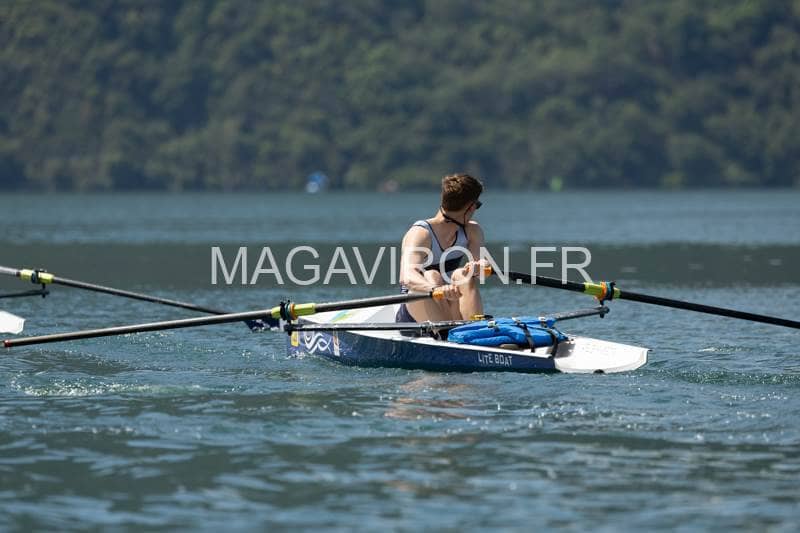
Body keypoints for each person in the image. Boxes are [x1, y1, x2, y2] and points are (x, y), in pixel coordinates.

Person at [398, 173, 488, 323]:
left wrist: (481, 266)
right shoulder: (420, 234)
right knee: (432, 276)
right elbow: (406, 277)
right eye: (477, 205)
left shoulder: (472, 231)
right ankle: (445, 332)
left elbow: (481, 269)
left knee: (463, 275)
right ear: (471, 207)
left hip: (450, 306)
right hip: (414, 312)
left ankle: (475, 329)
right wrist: (435, 290)